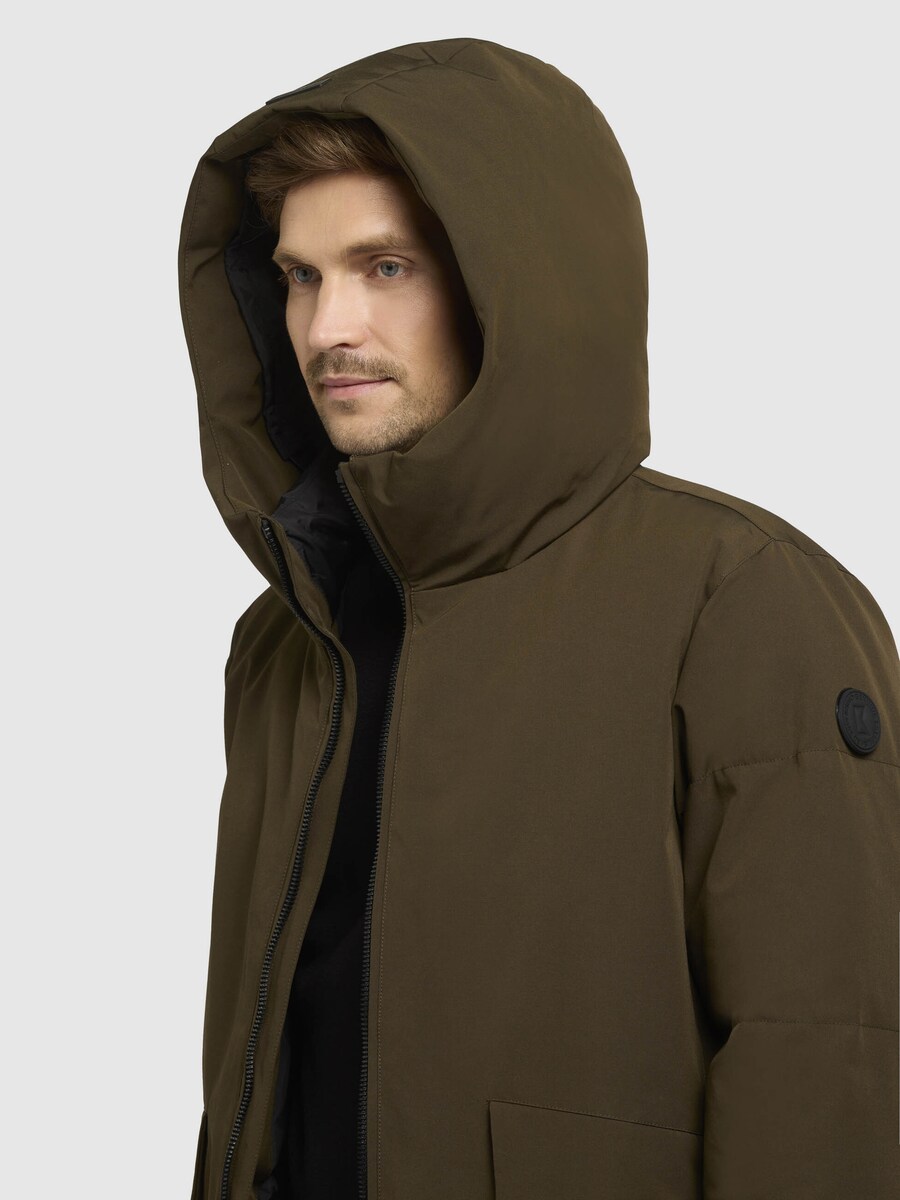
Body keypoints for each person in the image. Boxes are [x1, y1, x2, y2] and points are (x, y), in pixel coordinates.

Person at [178, 36, 900, 1200]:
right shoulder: (286, 640)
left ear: (516, 283)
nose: (325, 328)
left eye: (385, 267)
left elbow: (830, 1062)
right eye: (301, 276)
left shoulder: (740, 600)